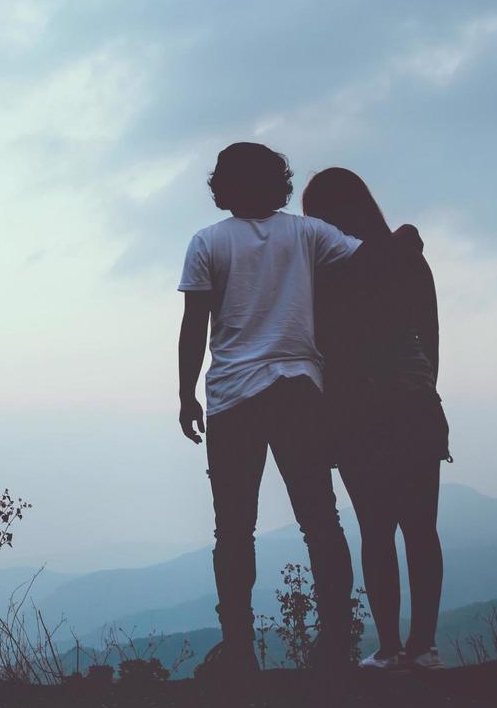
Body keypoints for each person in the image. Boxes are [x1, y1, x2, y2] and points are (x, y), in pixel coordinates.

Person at [178, 143, 420, 678]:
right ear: (278, 183)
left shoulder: (207, 243)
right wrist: (405, 238)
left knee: (234, 529)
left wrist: (185, 395)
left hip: (232, 396)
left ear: (223, 186)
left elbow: (194, 325)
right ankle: (334, 643)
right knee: (320, 521)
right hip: (298, 391)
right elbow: (370, 258)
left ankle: (239, 649)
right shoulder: (306, 234)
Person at [303, 167, 449, 672]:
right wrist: (422, 388)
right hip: (413, 401)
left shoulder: (323, 271)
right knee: (421, 529)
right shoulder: (407, 257)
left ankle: (388, 650)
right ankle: (424, 647)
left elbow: (320, 347)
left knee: (376, 530)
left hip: (354, 410)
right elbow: (429, 338)